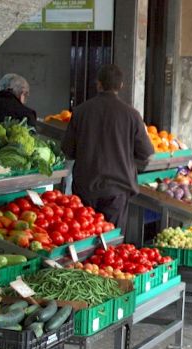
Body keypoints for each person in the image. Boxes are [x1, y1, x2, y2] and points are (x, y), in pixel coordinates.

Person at [62, 64, 154, 232]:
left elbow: (68, 150)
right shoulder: (131, 115)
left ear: (98, 84)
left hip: (85, 186)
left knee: (85, 236)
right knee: (111, 243)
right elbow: (146, 153)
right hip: (116, 189)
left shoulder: (81, 111)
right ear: (120, 86)